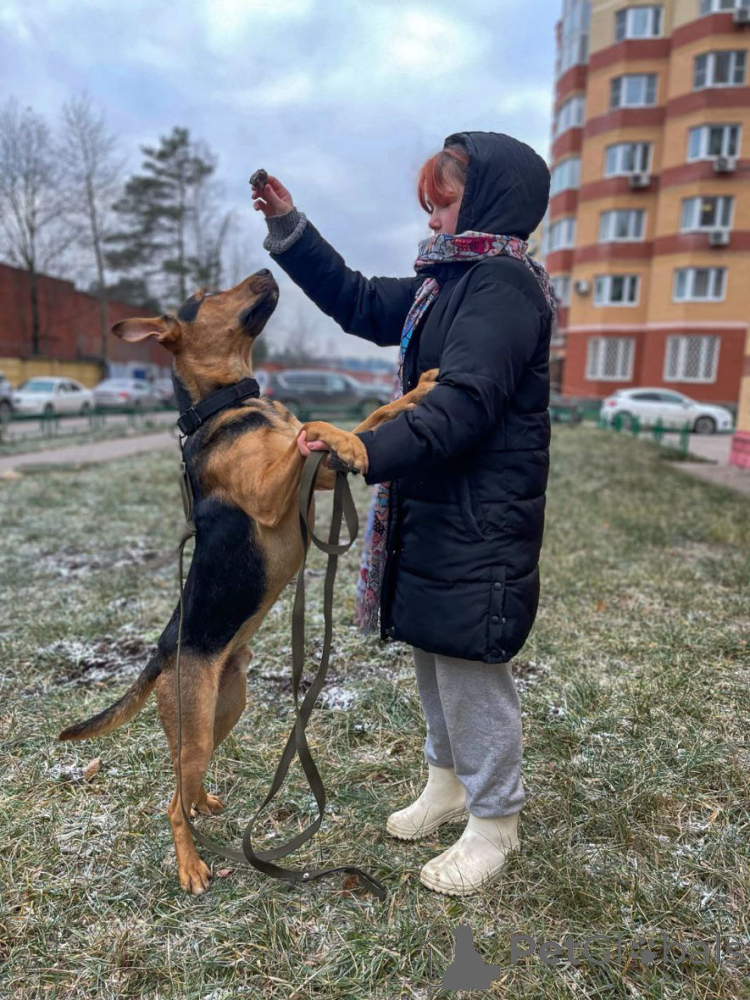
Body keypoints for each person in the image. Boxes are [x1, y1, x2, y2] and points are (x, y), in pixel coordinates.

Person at [251, 131, 556, 896]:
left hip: (482, 519)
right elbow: (356, 299)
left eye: (443, 202)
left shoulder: (503, 287)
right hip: (437, 509)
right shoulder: (443, 285)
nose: (431, 219)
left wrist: (367, 448)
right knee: (434, 650)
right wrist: (291, 228)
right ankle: (446, 783)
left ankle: (495, 822)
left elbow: (466, 402)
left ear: (487, 202)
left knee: (471, 670)